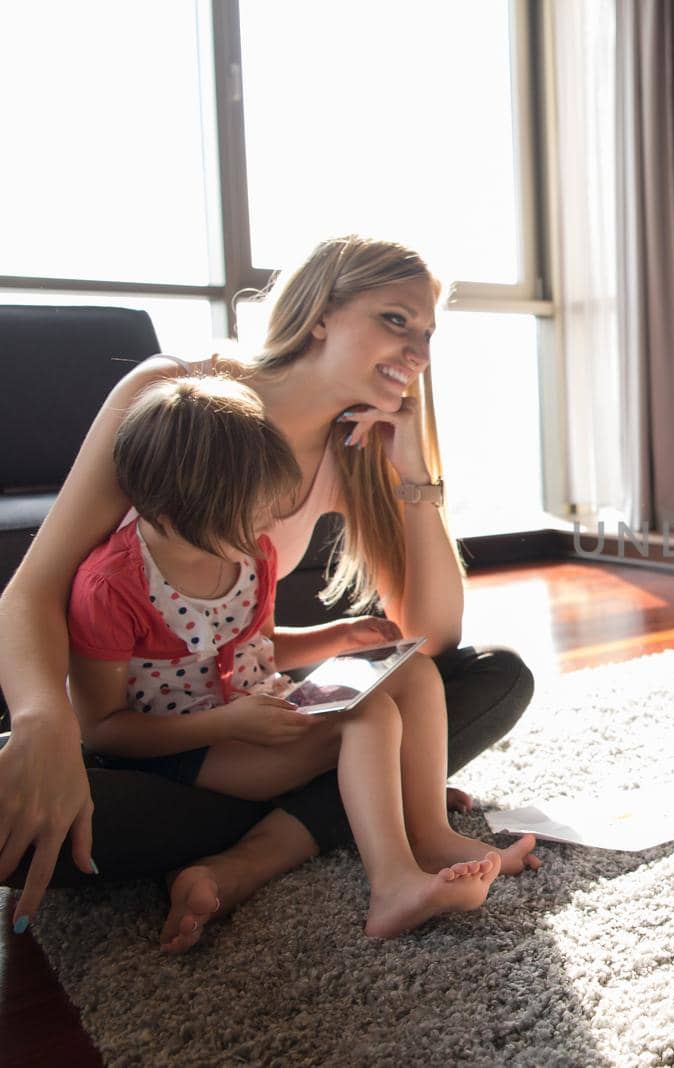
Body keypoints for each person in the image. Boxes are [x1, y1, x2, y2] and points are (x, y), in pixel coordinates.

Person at [0, 235, 535, 948]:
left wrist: (412, 469)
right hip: (152, 728)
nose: (419, 355)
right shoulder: (175, 406)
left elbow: (430, 639)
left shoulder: (358, 451)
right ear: (321, 314)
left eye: (428, 333)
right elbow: (32, 590)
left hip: (246, 707)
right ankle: (337, 812)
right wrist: (44, 725)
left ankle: (273, 845)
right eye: (396, 320)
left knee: (491, 676)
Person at [67, 377, 533, 938]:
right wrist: (228, 723)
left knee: (410, 668)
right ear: (173, 510)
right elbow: (103, 731)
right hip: (184, 750)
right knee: (372, 716)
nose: (264, 527)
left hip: (258, 713)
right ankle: (393, 885)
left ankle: (429, 831)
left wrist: (336, 636)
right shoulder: (111, 587)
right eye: (248, 515)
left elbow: (258, 647)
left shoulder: (249, 552)